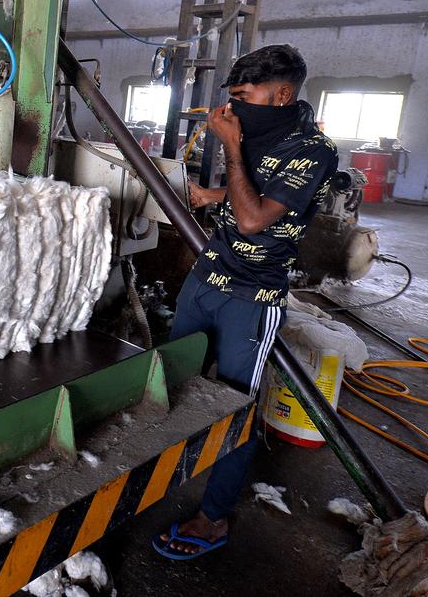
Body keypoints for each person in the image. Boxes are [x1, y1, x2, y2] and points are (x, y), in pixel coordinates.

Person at [153, 44, 338, 560]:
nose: (234, 108)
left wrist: (231, 147)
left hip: (251, 296)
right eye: (232, 98)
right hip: (206, 275)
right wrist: (210, 196)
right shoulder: (256, 130)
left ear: (282, 94)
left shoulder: (313, 149)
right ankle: (158, 477)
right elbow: (247, 194)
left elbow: (257, 218)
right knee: (168, 377)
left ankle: (212, 517)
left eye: (243, 96)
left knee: (232, 406)